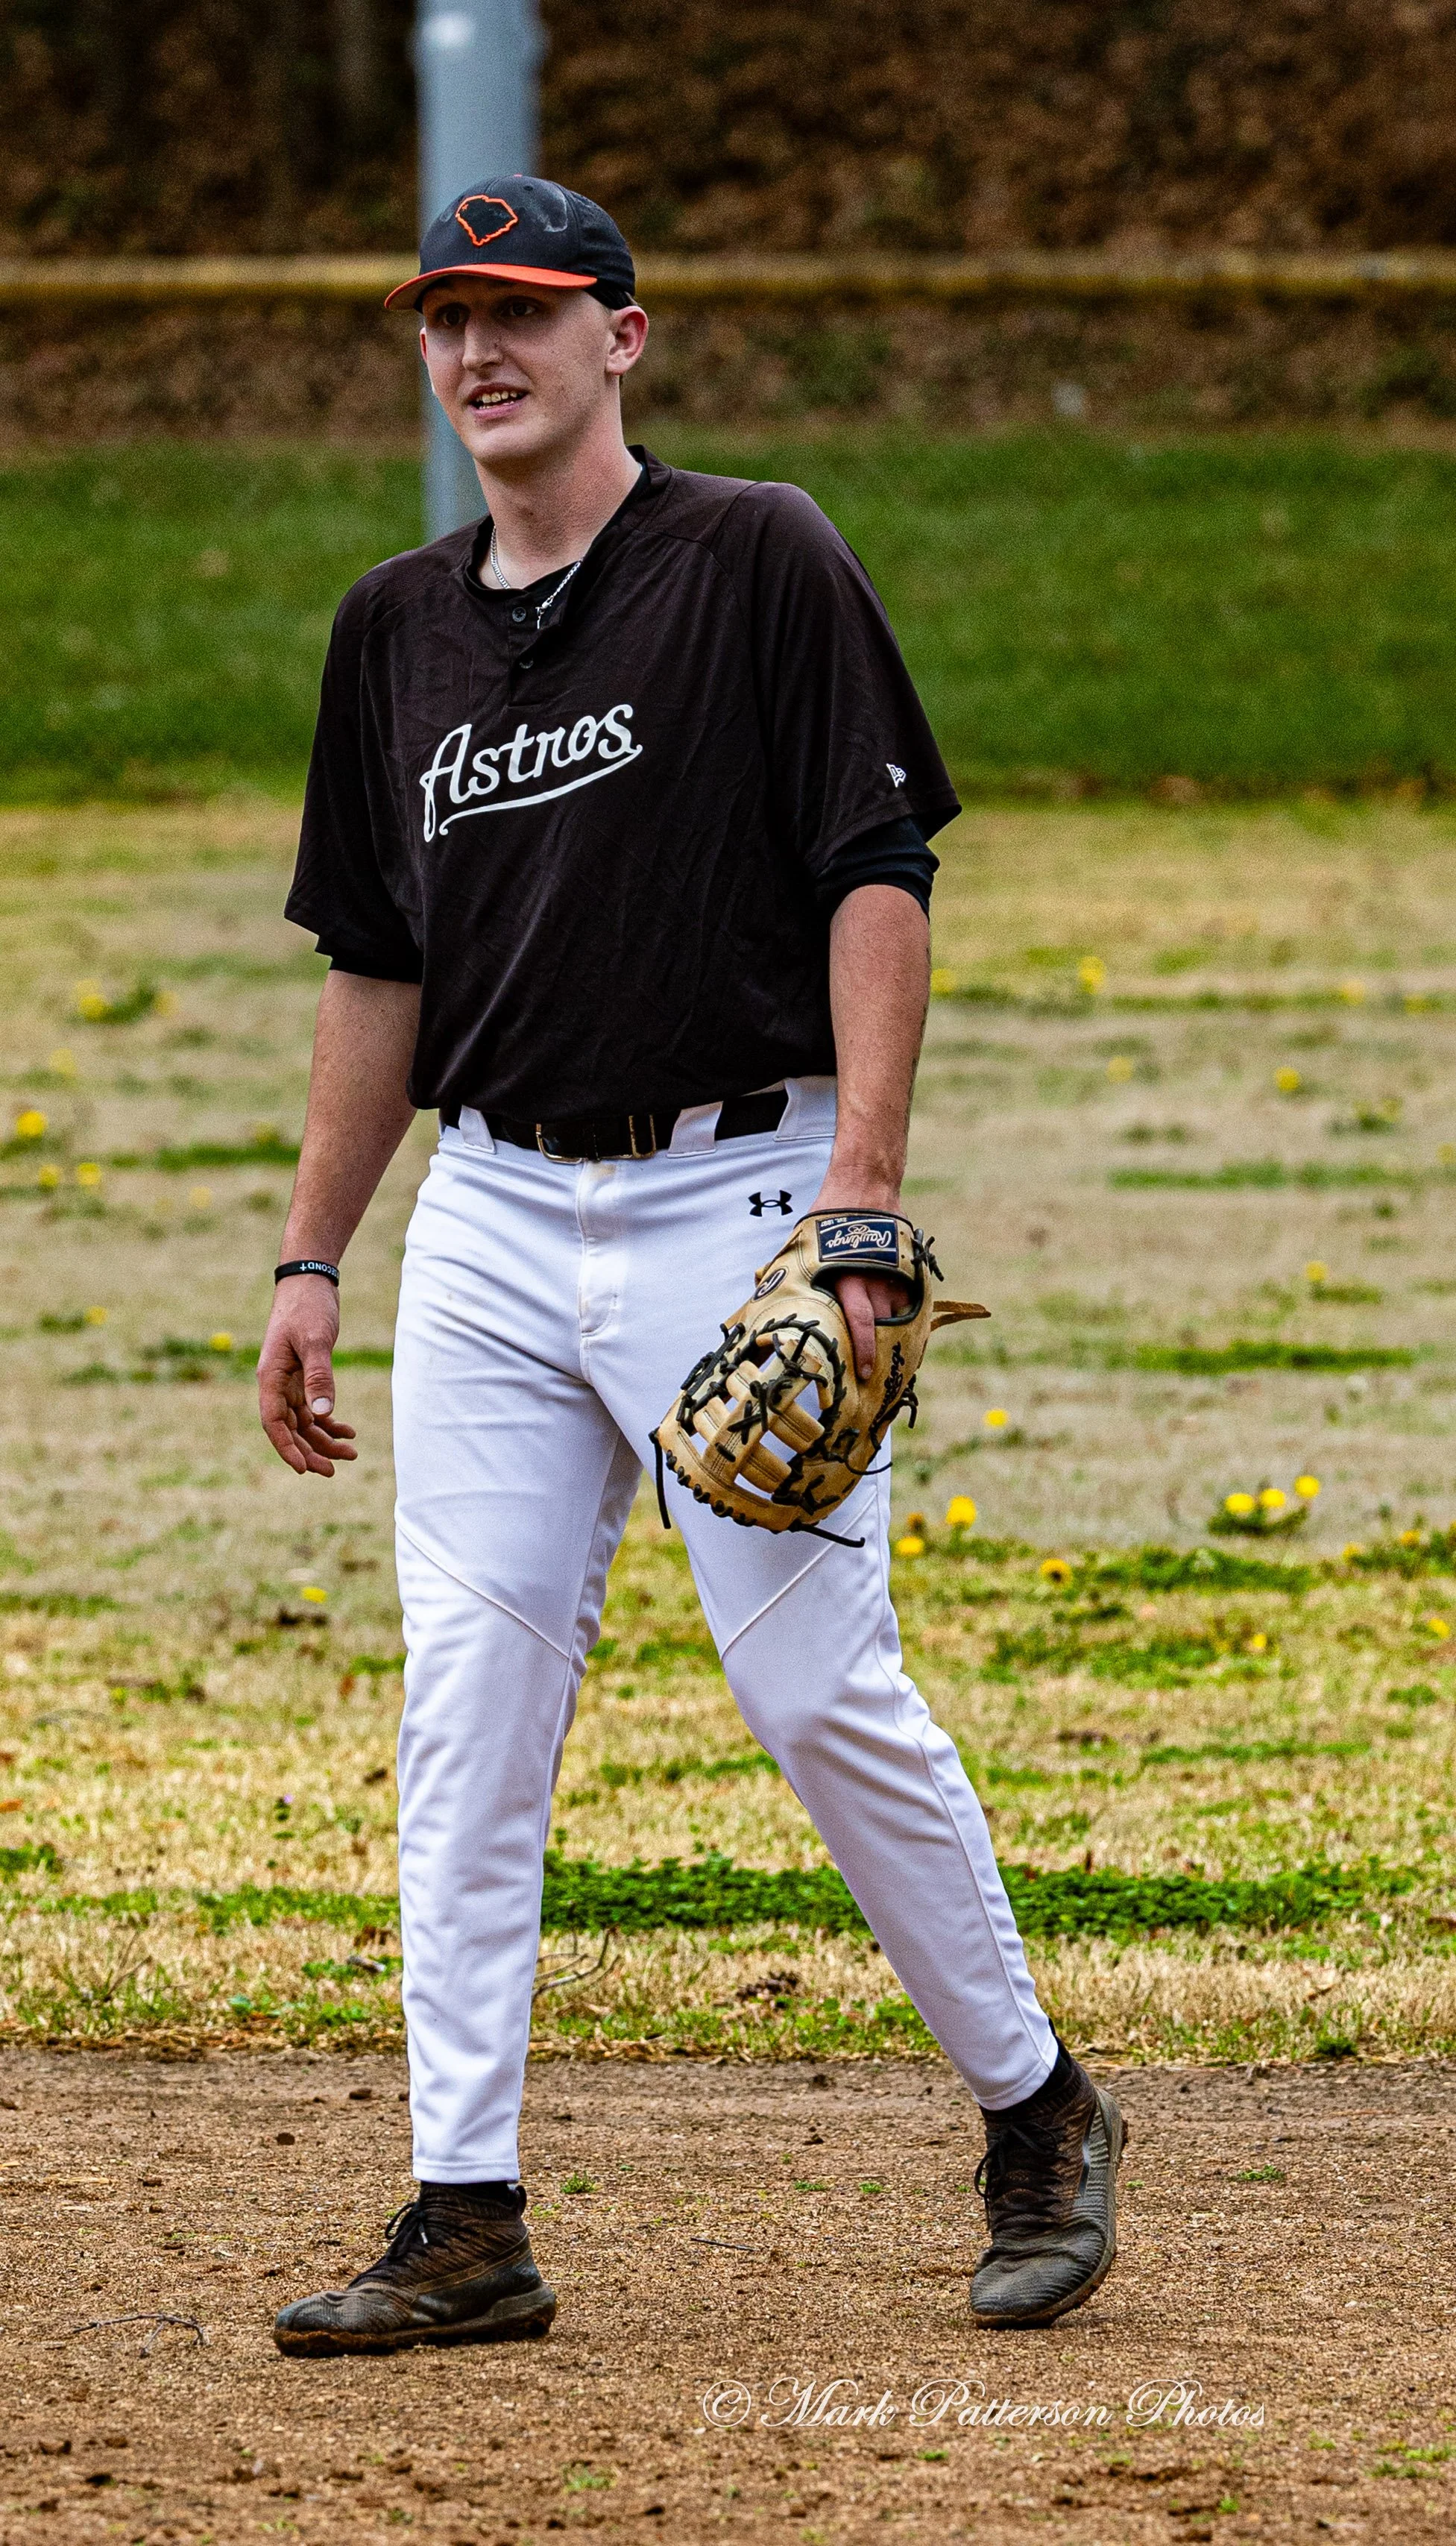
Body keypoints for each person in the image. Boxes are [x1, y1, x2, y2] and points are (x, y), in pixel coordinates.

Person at [259, 175, 1124, 2357]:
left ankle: (1037, 2103)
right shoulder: (399, 629)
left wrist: (860, 1201)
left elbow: (875, 871)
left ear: (624, 337)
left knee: (817, 1686)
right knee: (468, 1711)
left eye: (526, 313)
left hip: (731, 1204)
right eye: (450, 317)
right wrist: (309, 1256)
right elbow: (378, 966)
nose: (482, 353)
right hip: (489, 1219)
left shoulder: (758, 559)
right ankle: (468, 2210)